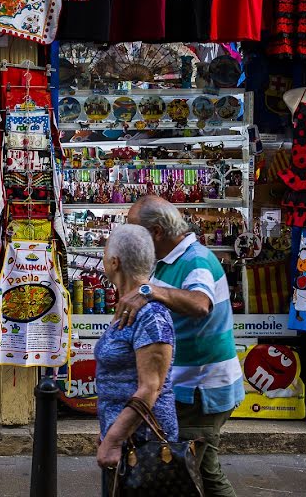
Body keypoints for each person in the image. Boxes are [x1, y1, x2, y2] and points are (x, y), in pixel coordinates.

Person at [115, 195, 244, 497]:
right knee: (205, 472)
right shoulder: (166, 262)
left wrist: (148, 291)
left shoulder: (195, 261)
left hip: (200, 392)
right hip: (186, 387)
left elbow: (200, 303)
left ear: (157, 232)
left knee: (178, 473)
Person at [94, 224, 177, 496]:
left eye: (105, 254)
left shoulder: (151, 315)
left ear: (114, 262)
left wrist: (114, 440)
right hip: (125, 439)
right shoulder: (129, 307)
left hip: (143, 445)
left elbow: (150, 387)